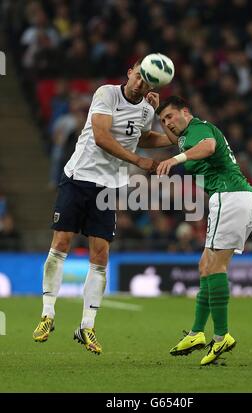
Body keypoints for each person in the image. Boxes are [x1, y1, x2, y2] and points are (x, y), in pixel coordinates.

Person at [32, 59, 173, 354]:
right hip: (78, 178)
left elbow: (143, 136)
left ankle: (87, 327)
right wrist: (138, 160)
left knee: (101, 255)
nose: (140, 84)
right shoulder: (106, 94)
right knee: (61, 242)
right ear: (131, 71)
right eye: (138, 77)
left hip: (108, 186)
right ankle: (47, 314)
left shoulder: (147, 109)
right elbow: (102, 136)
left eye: (147, 82)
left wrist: (168, 127)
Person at [156, 96, 252, 366]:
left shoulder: (198, 129)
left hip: (230, 196)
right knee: (205, 265)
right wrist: (156, 111)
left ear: (185, 112)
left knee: (215, 267)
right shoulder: (185, 135)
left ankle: (222, 336)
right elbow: (176, 139)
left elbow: (209, 146)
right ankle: (196, 333)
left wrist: (176, 159)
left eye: (170, 117)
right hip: (234, 198)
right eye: (163, 120)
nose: (168, 123)